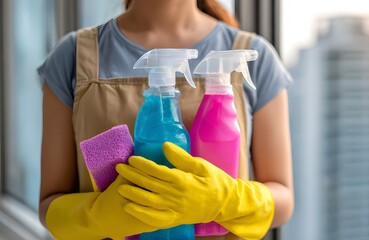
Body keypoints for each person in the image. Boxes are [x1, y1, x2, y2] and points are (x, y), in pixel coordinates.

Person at [38, 0, 294, 239]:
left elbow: (283, 198)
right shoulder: (73, 56)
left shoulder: (255, 57)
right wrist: (98, 214)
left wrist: (226, 200)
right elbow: (50, 203)